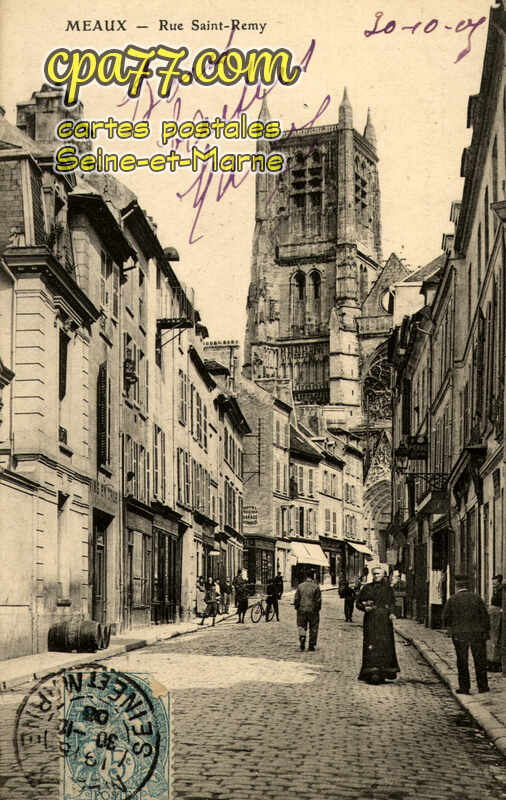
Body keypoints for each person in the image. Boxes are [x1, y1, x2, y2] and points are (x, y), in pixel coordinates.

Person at [442, 574, 490, 694]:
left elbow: (445, 617)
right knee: (480, 660)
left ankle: (464, 687)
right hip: (477, 634)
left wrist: (451, 628)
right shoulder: (477, 598)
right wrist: (486, 631)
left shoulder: (452, 599)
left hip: (460, 634)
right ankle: (483, 686)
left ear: (457, 586)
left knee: (462, 661)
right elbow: (485, 616)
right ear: (468, 586)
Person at [356, 567, 400, 684]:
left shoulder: (388, 589)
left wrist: (392, 613)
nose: (376, 576)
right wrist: (364, 607)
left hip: (384, 621)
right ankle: (372, 672)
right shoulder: (367, 588)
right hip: (370, 620)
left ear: (383, 575)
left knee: (385, 644)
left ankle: (385, 671)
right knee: (371, 644)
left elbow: (392, 603)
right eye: (374, 574)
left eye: (378, 574)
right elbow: (358, 603)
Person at [294, 570, 321, 651]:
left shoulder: (300, 586)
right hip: (313, 610)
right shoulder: (316, 587)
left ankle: (302, 642)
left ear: (306, 576)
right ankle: (311, 645)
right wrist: (317, 609)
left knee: (301, 626)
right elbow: (318, 600)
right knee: (313, 627)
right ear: (313, 577)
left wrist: (297, 607)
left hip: (302, 609)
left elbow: (296, 599)